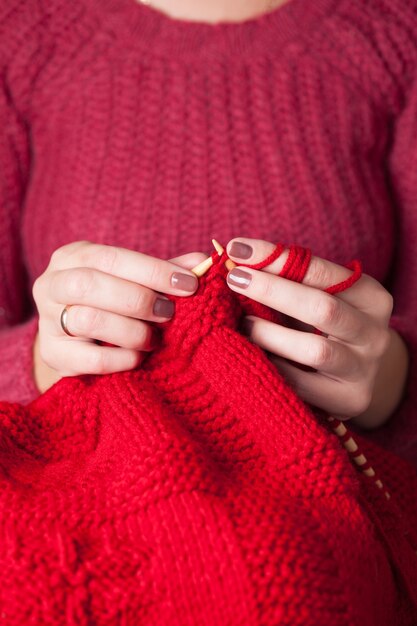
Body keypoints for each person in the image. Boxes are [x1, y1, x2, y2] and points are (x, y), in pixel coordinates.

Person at [1, 0, 416, 467]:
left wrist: (391, 382)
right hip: (72, 502)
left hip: (333, 511)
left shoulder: (395, 30)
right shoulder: (21, 29)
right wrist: (39, 361)